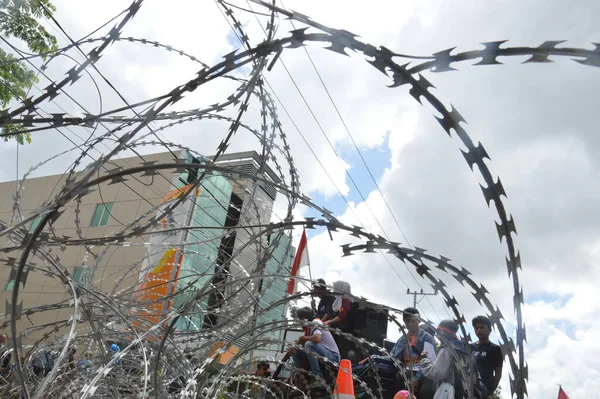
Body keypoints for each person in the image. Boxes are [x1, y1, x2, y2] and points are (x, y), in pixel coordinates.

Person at [419, 319, 485, 399]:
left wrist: (424, 360)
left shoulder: (448, 348)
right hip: (468, 393)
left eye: (439, 331)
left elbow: (437, 373)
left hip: (451, 393)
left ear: (443, 332)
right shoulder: (467, 348)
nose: (438, 335)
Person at [290, 307, 340, 387]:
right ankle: (301, 378)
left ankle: (318, 378)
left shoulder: (315, 322)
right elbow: (303, 340)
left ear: (305, 319)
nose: (300, 322)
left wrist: (302, 339)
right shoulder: (309, 328)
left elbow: (317, 338)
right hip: (324, 354)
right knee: (296, 351)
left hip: (333, 357)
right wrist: (294, 346)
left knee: (309, 345)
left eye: (300, 319)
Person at [471, 316, 503, 396]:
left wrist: (490, 393)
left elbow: (498, 373)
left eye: (482, 327)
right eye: (476, 328)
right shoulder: (470, 347)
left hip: (484, 391)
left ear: (489, 330)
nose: (479, 330)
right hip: (469, 389)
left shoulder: (495, 349)